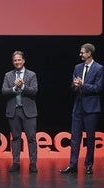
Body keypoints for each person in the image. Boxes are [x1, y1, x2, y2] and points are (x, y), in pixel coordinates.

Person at [60, 43, 104, 175]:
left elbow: (98, 88)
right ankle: (72, 165)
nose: (80, 54)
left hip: (91, 108)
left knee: (90, 138)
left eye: (83, 52)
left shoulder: (99, 68)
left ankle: (89, 165)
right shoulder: (77, 67)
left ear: (89, 53)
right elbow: (73, 87)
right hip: (78, 107)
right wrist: (75, 85)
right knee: (75, 138)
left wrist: (83, 85)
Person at [2, 50, 38, 173]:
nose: (17, 62)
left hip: (28, 111)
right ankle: (15, 162)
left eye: (19, 60)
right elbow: (4, 91)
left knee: (31, 138)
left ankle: (33, 163)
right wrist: (14, 88)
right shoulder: (8, 75)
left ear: (23, 60)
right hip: (13, 111)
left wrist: (22, 86)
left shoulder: (31, 75)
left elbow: (34, 91)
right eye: (15, 60)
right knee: (16, 138)